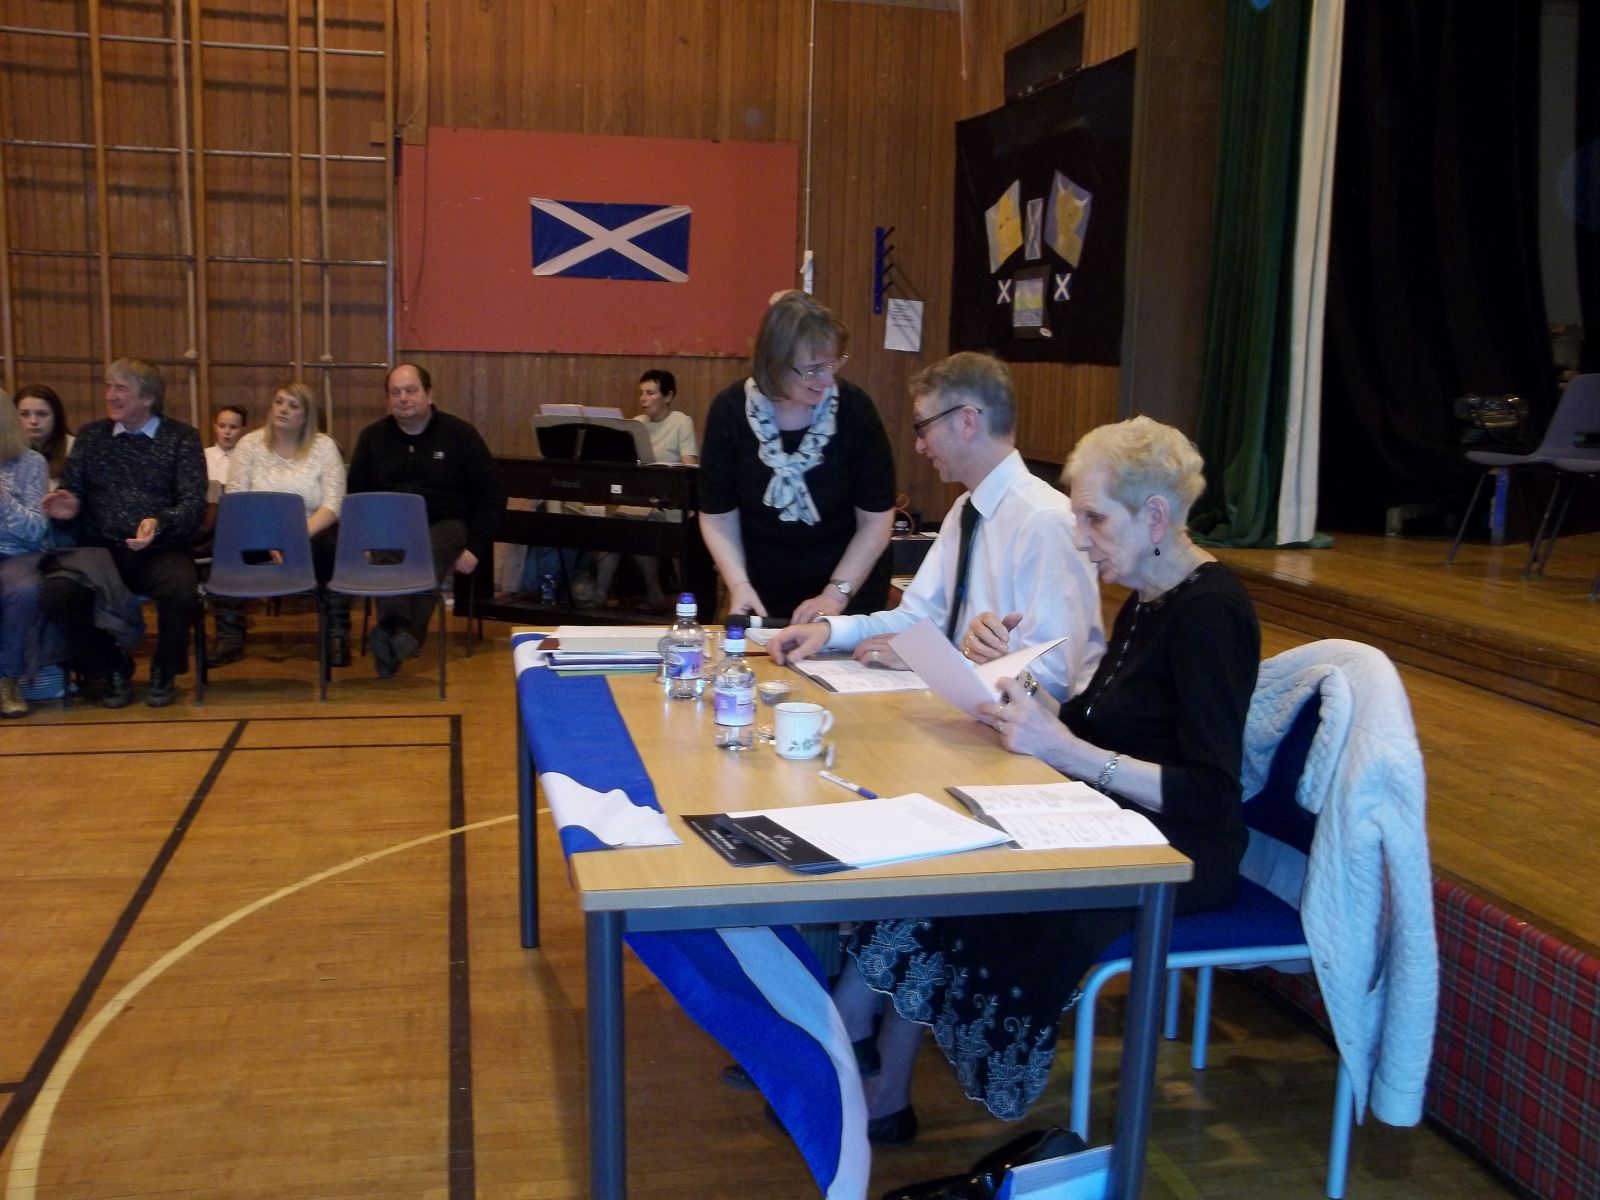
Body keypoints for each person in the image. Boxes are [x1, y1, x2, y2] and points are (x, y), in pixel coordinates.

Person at [828, 415, 1261, 1141]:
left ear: (1155, 516)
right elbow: (1096, 723)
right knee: (949, 864)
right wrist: (1007, 678)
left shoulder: (1211, 612)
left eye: (1094, 518)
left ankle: (862, 1059)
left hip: (1182, 850)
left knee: (978, 888)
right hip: (1120, 820)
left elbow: (1211, 795)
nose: (1081, 537)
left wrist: (1068, 753)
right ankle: (874, 1070)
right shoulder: (1149, 597)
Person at [766, 352, 1105, 703]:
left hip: (1030, 731)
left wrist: (928, 661)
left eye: (923, 426)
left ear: (966, 421)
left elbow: (1052, 680)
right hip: (968, 711)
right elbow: (917, 619)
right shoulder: (965, 509)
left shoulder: (1046, 520)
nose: (919, 444)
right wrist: (828, 631)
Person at [698, 291, 895, 626]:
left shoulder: (855, 411)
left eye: (833, 364)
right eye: (814, 369)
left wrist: (835, 595)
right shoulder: (730, 412)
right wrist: (739, 585)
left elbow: (875, 521)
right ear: (774, 363)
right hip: (764, 590)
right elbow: (718, 516)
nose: (827, 380)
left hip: (850, 590)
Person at [39, 357, 208, 708]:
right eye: (108, 387)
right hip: (99, 552)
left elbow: (193, 502)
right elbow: (74, 491)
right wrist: (68, 505)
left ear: (148, 398)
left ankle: (164, 670)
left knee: (181, 590)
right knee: (58, 593)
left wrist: (159, 522)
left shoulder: (181, 438)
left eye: (121, 388)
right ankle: (111, 667)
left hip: (160, 549)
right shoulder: (91, 436)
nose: (110, 396)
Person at [345, 363, 504, 677]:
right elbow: (356, 498)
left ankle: (390, 634)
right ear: (388, 399)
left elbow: (493, 493)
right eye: (395, 392)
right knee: (387, 555)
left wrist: (476, 548)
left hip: (445, 524)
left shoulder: (460, 435)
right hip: (389, 527)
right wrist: (361, 542)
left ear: (429, 394)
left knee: (426, 552)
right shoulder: (372, 438)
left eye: (411, 390)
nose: (403, 398)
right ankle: (401, 636)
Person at [211, 383, 348, 665]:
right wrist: (267, 538)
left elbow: (333, 504)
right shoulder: (249, 444)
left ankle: (336, 635)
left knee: (333, 546)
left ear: (306, 416)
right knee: (227, 541)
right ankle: (229, 636)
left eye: (293, 405)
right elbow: (236, 499)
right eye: (279, 402)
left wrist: (293, 539)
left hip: (310, 530)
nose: (283, 409)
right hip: (256, 530)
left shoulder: (324, 446)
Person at [592, 368, 699, 611]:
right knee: (612, 524)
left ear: (668, 396)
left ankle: (654, 593)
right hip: (639, 499)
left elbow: (690, 467)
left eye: (650, 393)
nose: (643, 399)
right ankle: (600, 592)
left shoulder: (681, 422)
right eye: (641, 393)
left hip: (670, 503)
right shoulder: (636, 424)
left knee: (639, 523)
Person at [0, 392, 52, 718]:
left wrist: (4, 500)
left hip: (18, 552)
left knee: (24, 590)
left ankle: (7, 678)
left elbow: (36, 529)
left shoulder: (31, 463)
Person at [15, 384, 74, 489]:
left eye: (42, 414)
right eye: (24, 414)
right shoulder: (8, 451)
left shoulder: (74, 448)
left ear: (56, 417)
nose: (33, 421)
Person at [205, 404, 248, 488]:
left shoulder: (247, 458)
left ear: (243, 431)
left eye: (233, 427)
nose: (227, 431)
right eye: (222, 426)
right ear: (215, 427)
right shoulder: (203, 456)